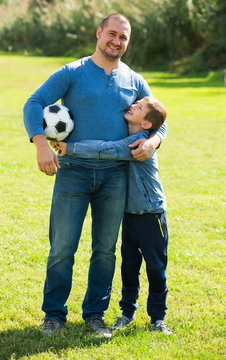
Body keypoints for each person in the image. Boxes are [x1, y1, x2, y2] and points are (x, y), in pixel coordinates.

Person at [23, 13, 167, 337]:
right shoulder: (73, 72)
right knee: (62, 247)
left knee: (105, 250)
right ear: (99, 33)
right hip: (71, 173)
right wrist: (41, 145)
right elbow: (34, 103)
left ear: (128, 43)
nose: (116, 41)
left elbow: (160, 118)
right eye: (112, 34)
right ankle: (53, 314)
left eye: (123, 38)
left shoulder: (135, 80)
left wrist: (155, 140)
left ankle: (95, 314)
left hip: (115, 178)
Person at [51, 96, 172, 335]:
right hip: (128, 215)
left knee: (156, 269)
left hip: (151, 215)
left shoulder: (138, 142)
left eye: (138, 108)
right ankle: (127, 313)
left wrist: (71, 148)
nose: (132, 106)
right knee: (129, 267)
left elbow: (108, 150)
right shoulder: (131, 134)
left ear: (146, 124)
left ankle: (158, 318)